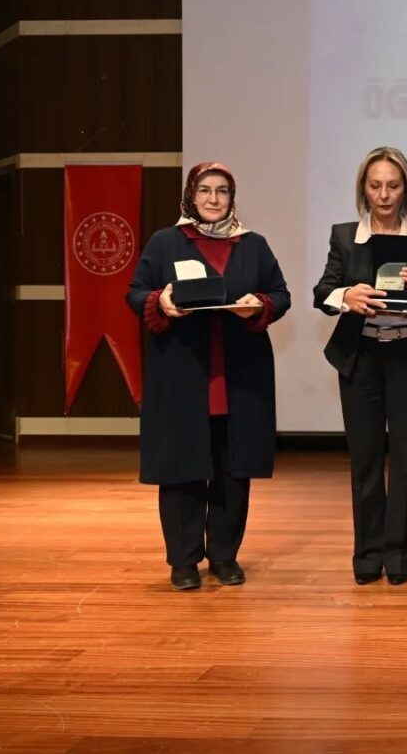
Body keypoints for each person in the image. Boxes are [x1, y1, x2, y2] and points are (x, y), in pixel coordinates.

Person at [126, 162, 291, 590]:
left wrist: (259, 306)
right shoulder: (165, 242)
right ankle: (183, 561)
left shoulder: (253, 244)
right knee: (181, 468)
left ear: (232, 198)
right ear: (191, 195)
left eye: (222, 191)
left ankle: (224, 556)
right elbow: (135, 290)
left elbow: (280, 293)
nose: (213, 199)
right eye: (205, 190)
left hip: (240, 377)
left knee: (232, 470)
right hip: (181, 377)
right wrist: (159, 300)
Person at [314, 146, 407, 585]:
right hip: (362, 359)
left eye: (392, 185)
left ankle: (399, 557)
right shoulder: (344, 236)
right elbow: (322, 292)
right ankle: (367, 555)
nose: (384, 194)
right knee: (365, 459)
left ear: (406, 189)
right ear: (363, 189)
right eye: (375, 185)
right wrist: (347, 298)